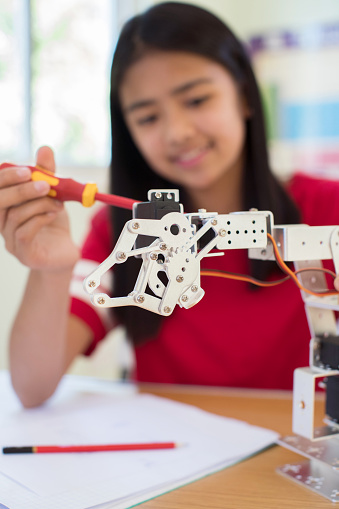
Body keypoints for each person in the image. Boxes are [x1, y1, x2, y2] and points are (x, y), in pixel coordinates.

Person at [1, 2, 339, 407]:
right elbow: (31, 387)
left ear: (245, 96)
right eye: (147, 118)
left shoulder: (328, 209)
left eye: (196, 100)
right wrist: (52, 271)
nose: (177, 132)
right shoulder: (122, 231)